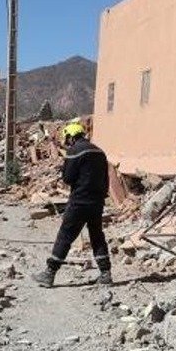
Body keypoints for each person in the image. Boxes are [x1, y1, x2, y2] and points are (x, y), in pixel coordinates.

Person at [34, 121, 112, 287]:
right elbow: (106, 179)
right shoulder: (100, 152)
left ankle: (49, 273)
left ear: (71, 137)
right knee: (97, 236)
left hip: (79, 202)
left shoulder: (74, 151)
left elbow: (68, 178)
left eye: (67, 139)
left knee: (65, 235)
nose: (67, 142)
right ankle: (106, 273)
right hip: (97, 202)